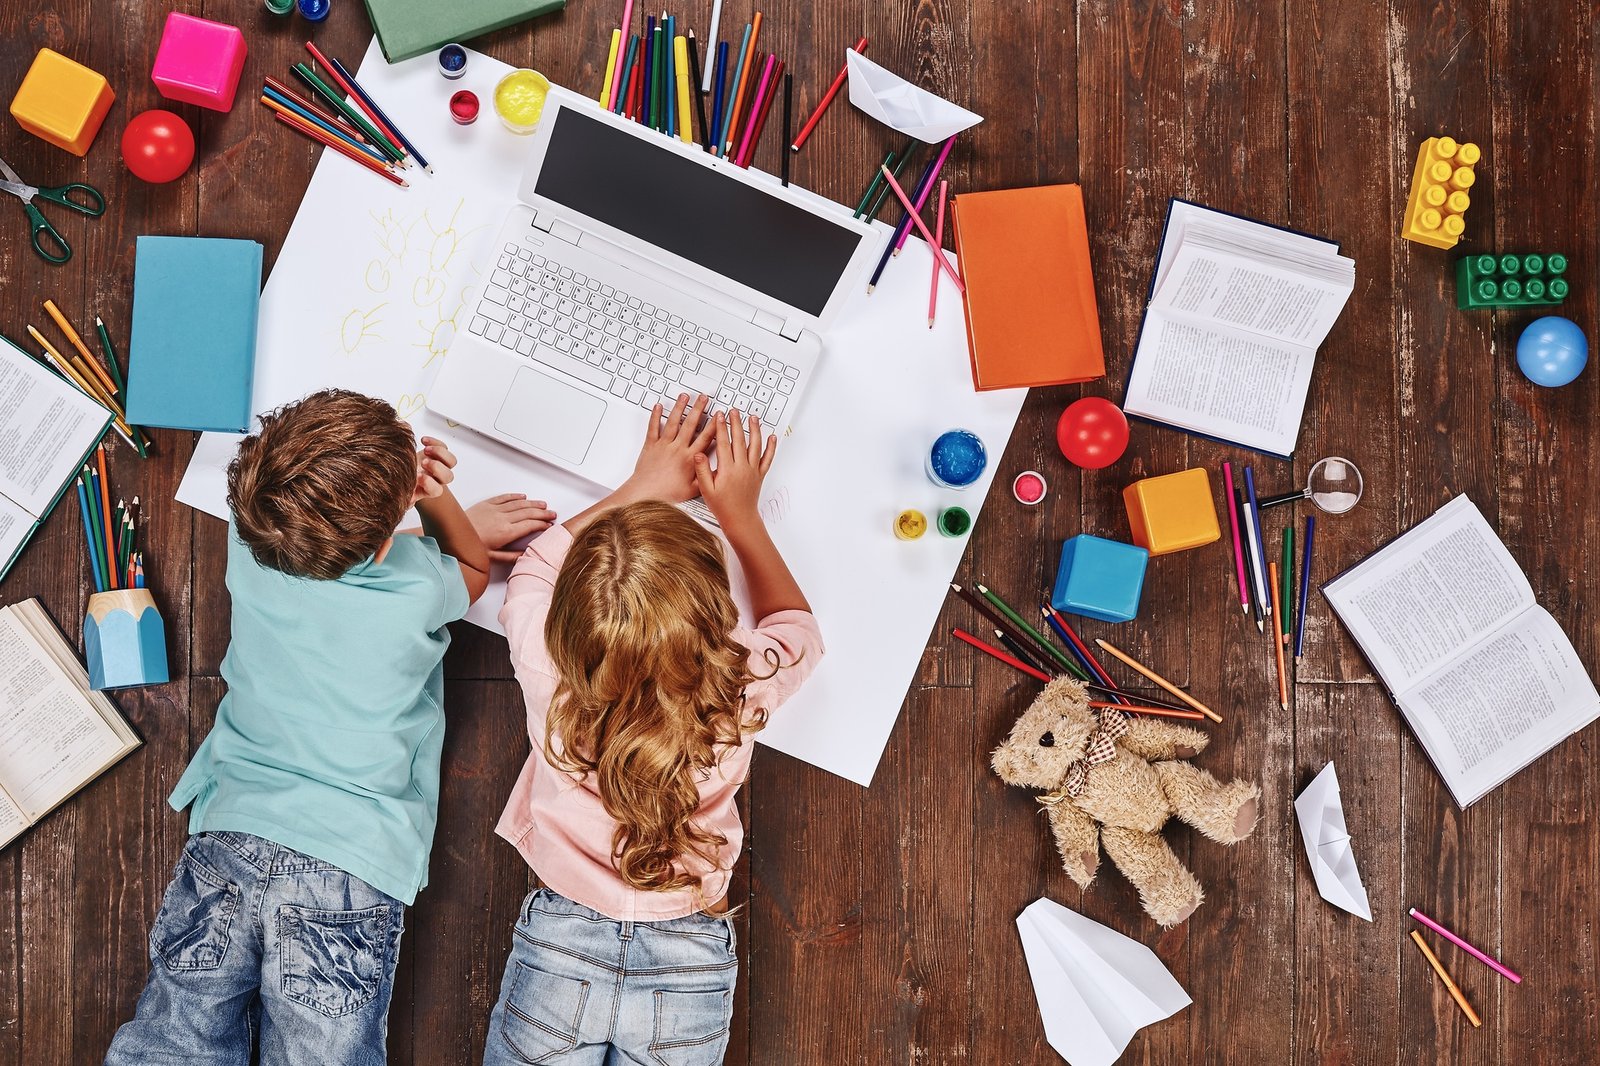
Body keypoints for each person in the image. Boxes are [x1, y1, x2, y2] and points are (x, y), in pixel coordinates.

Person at [105, 389, 554, 1065]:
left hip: (229, 837)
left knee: (175, 1041)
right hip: (346, 864)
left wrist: (396, 519)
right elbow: (469, 567)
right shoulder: (412, 589)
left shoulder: (249, 535)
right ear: (381, 549)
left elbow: (346, 553)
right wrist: (439, 504)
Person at [486, 394, 822, 1065]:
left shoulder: (546, 659)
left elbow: (535, 569)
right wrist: (741, 517)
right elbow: (798, 632)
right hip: (688, 953)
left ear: (569, 627)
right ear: (716, 615)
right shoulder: (741, 680)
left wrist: (640, 487)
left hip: (563, 942)